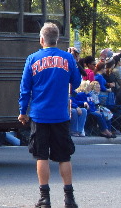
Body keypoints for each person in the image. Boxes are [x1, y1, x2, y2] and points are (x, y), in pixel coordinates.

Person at [18, 22, 81, 208]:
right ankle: (69, 198)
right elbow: (76, 82)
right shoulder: (67, 58)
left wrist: (23, 112)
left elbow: (25, 89)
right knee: (64, 156)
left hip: (39, 115)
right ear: (57, 39)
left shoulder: (32, 59)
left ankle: (44, 198)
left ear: (41, 40)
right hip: (61, 115)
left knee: (41, 156)